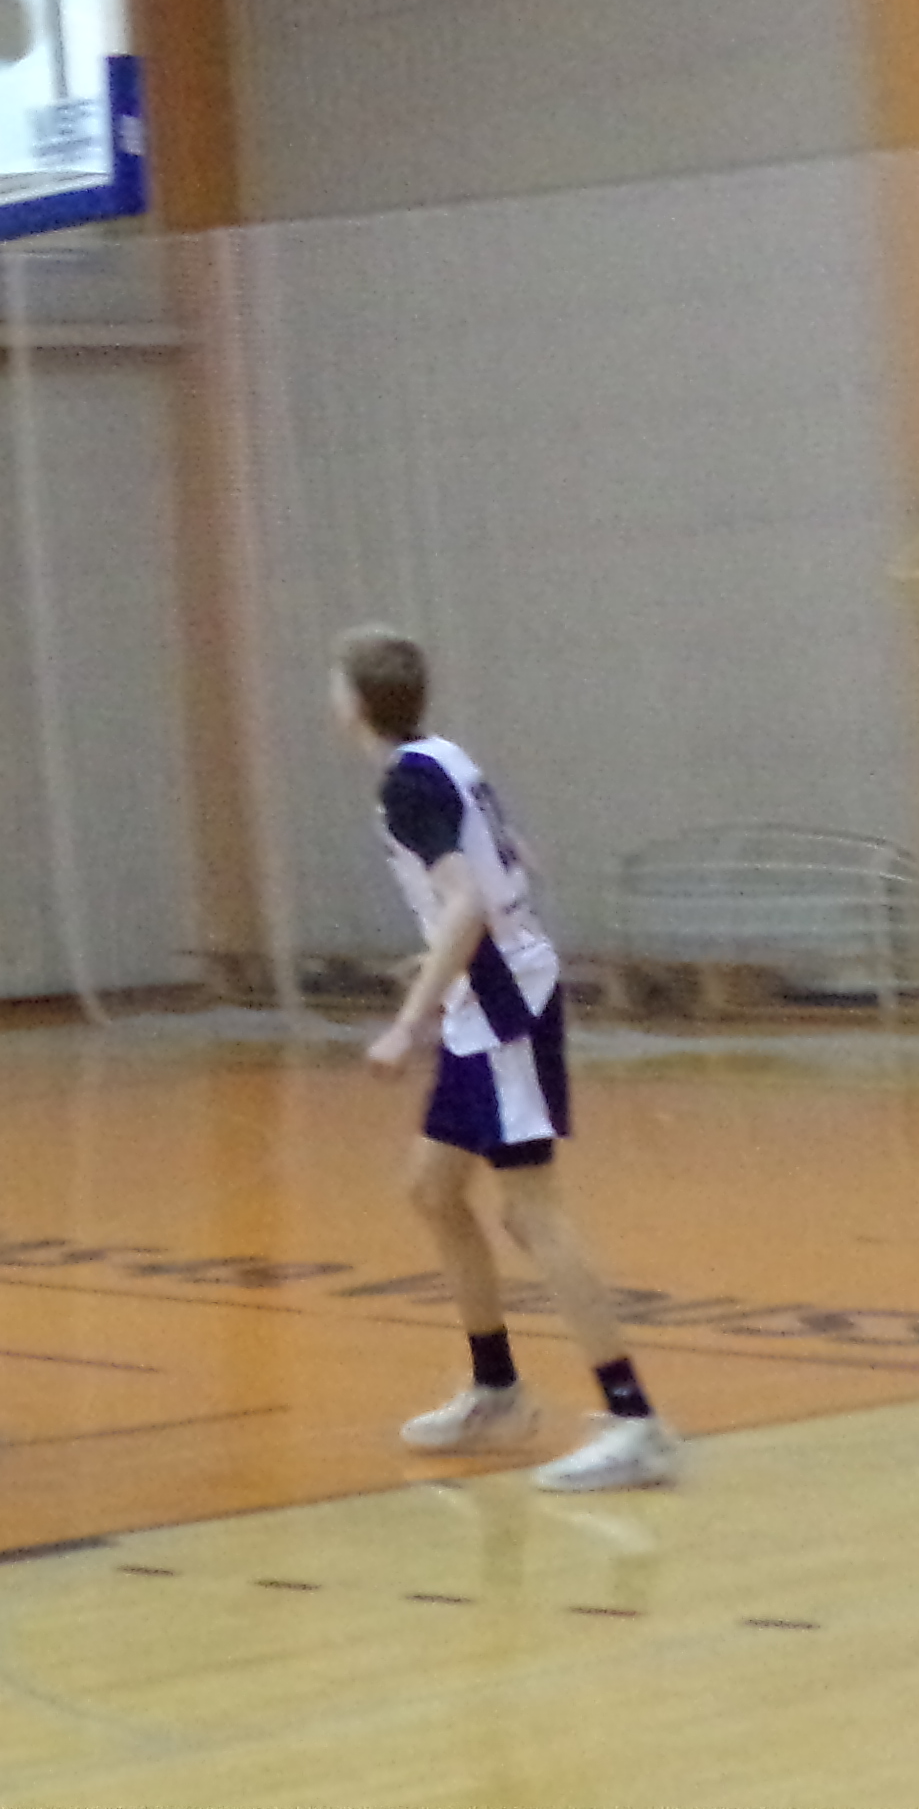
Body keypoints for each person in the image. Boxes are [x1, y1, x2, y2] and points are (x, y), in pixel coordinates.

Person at [333, 627, 676, 1493]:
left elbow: (467, 903)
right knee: (433, 1190)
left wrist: (406, 1022)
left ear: (355, 701)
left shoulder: (408, 782)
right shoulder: (443, 757)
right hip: (482, 1000)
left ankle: (634, 1420)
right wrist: (444, 962)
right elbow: (517, 858)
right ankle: (496, 1392)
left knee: (533, 1214)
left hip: (499, 1013)